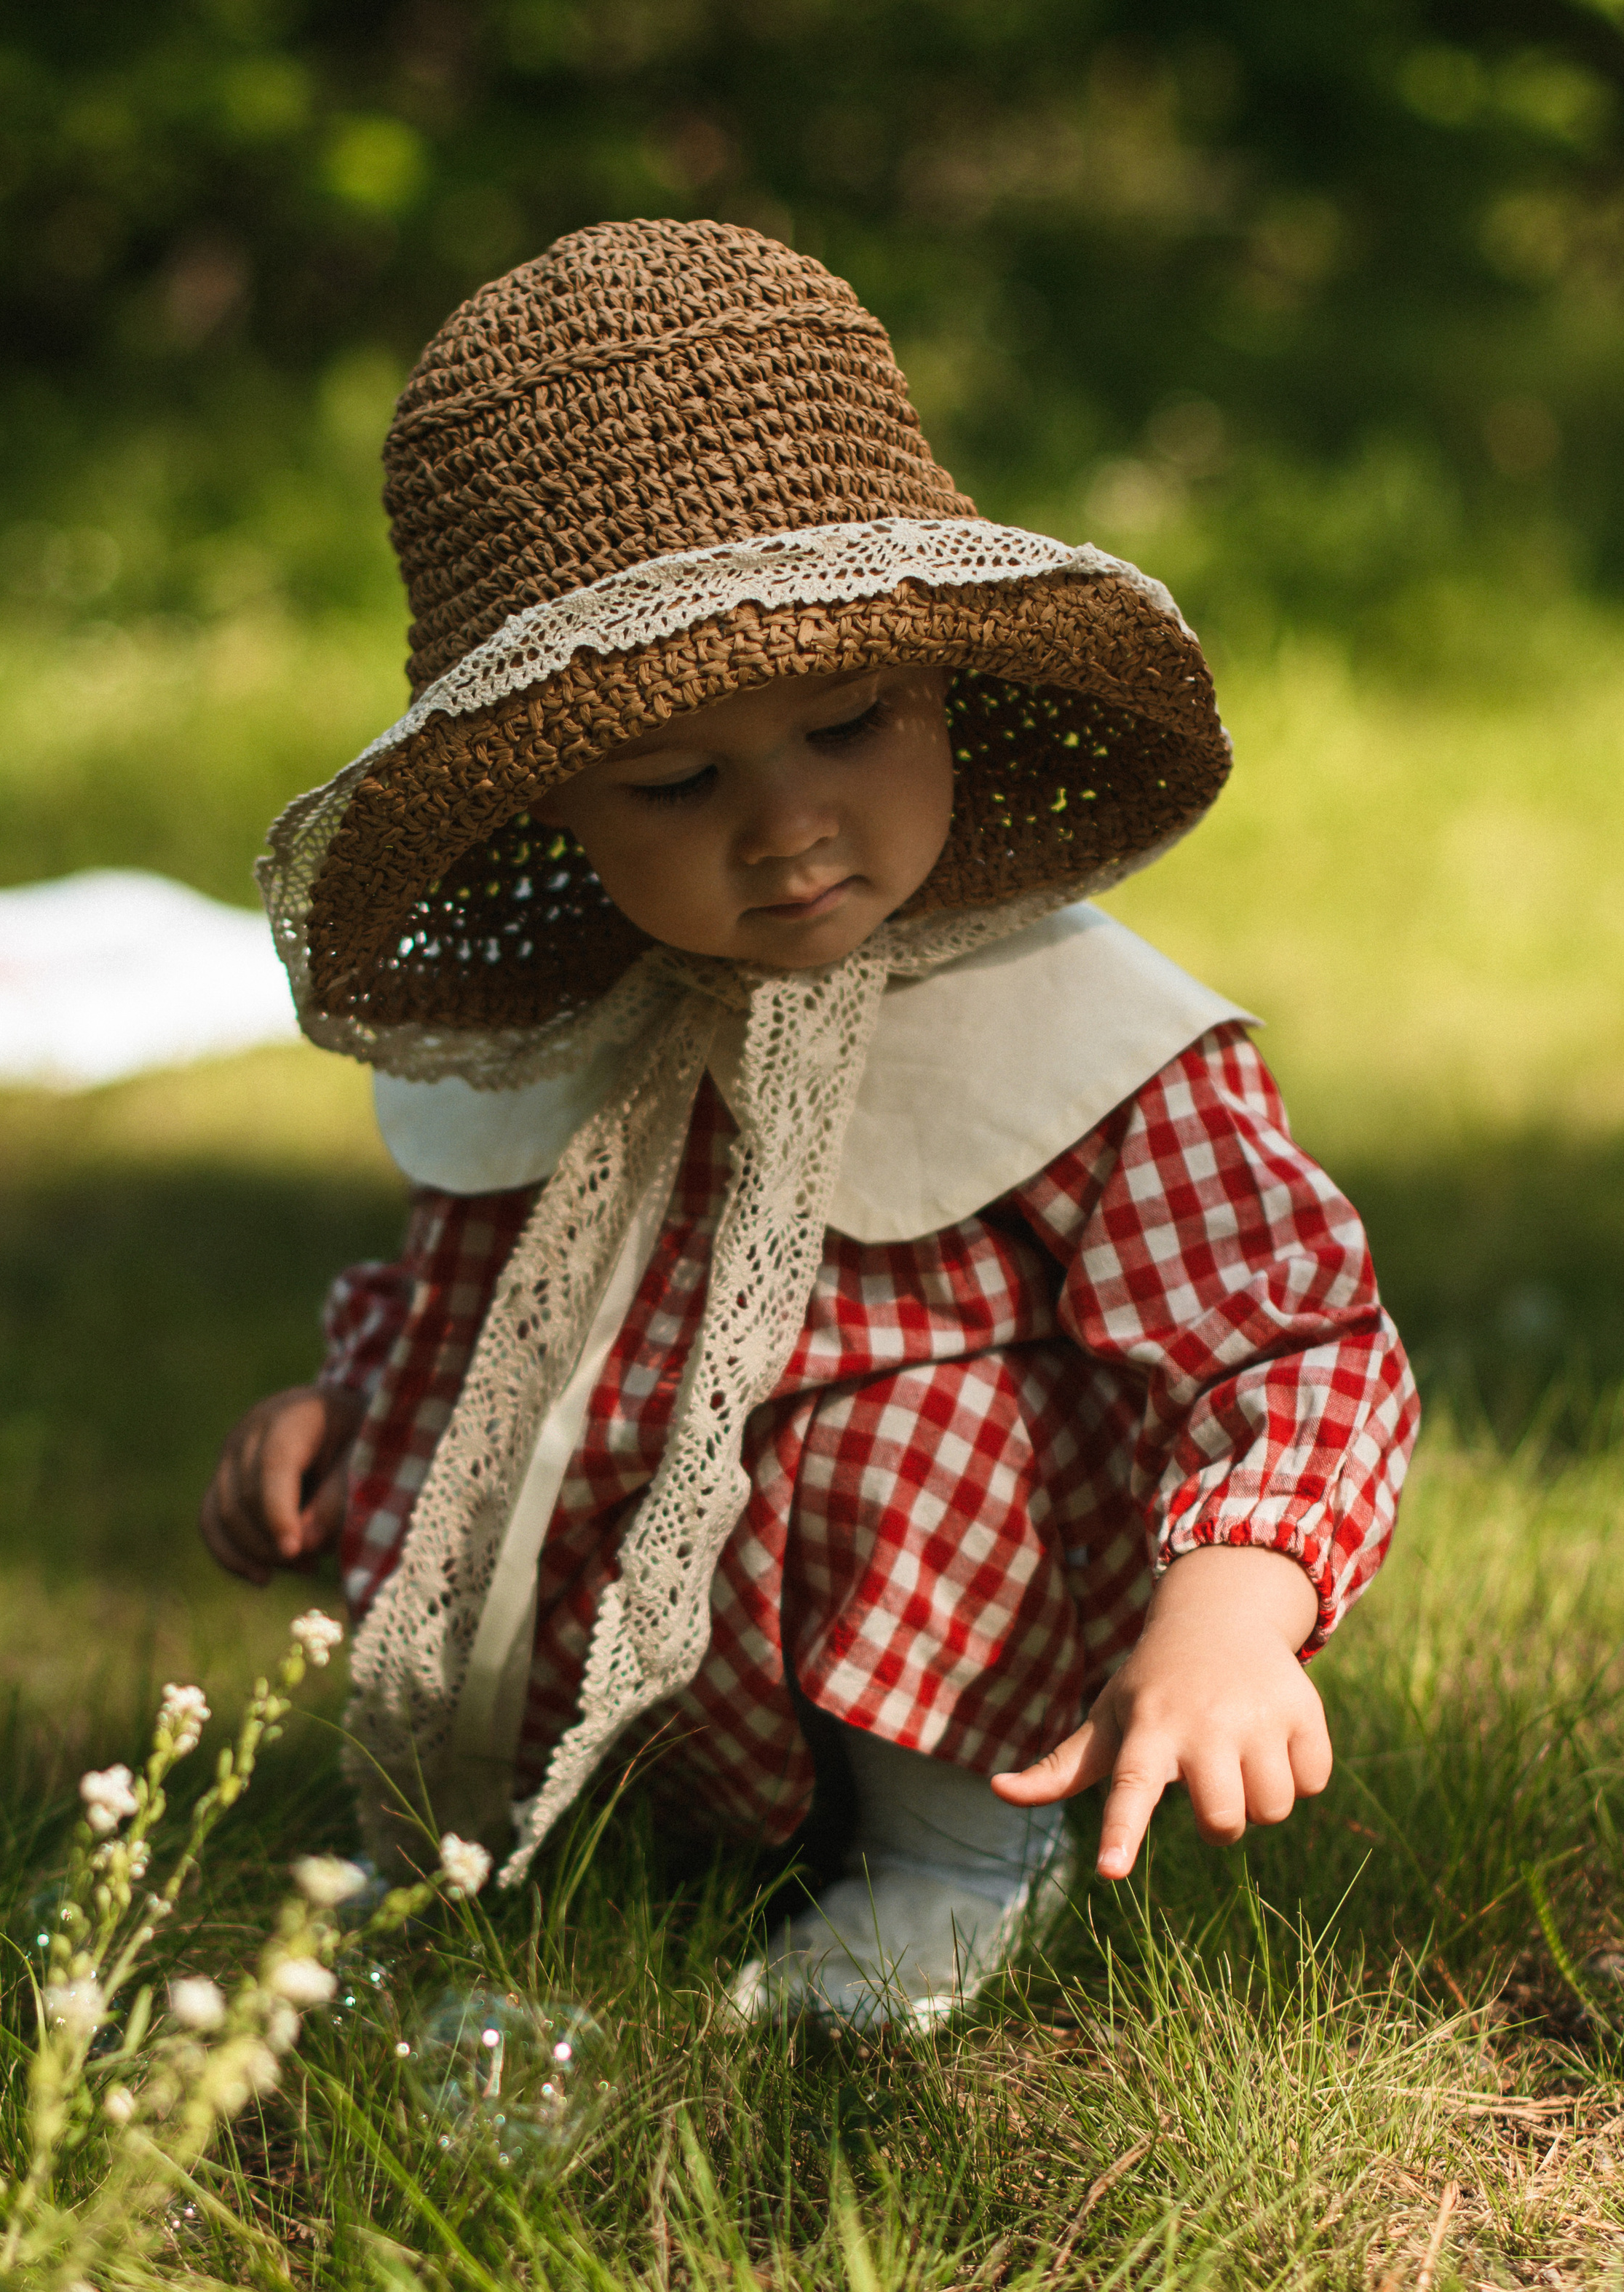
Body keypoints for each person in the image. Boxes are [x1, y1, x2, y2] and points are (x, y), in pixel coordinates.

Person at [201, 218, 1419, 2029]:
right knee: (476, 1441)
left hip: (938, 1659)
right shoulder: (582, 1030)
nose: (785, 832)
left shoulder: (1070, 1028)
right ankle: (500, 1834)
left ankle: (944, 1859)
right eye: (679, 782)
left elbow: (1289, 1335)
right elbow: (480, 1282)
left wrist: (1238, 1601)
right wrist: (341, 1413)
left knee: (907, 1427)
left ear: (940, 691)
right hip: (658, 1655)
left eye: (848, 727)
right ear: (554, 809)